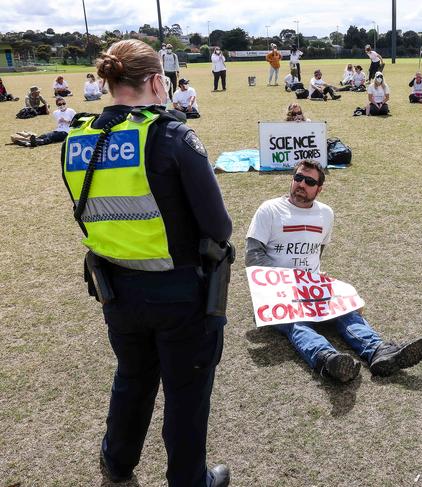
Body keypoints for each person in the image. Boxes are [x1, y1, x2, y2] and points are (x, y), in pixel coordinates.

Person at [61, 39, 232, 487]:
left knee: (132, 378)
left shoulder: (79, 137)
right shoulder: (171, 135)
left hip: (115, 289)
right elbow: (218, 226)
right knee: (186, 393)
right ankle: (189, 480)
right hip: (178, 292)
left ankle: (117, 463)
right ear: (157, 81)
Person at [244, 160, 422, 382]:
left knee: (346, 313)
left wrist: (315, 284)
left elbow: (316, 253)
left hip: (311, 287)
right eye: (298, 178)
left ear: (319, 189)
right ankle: (328, 360)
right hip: (278, 292)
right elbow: (253, 257)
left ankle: (379, 352)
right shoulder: (270, 210)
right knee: (297, 324)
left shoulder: (325, 214)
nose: (301, 184)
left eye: (309, 181)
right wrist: (288, 283)